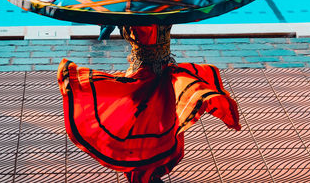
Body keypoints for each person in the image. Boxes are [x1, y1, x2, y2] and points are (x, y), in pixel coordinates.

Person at [58, 24, 241, 183]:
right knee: (148, 127)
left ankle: (147, 172)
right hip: (147, 76)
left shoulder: (138, 10)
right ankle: (144, 173)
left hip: (159, 74)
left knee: (158, 125)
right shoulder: (164, 6)